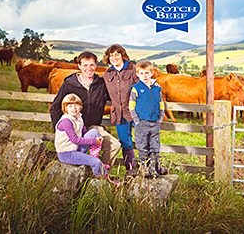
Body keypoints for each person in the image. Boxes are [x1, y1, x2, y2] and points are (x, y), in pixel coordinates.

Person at [50, 51, 121, 167]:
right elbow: (55, 108)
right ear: (79, 66)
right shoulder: (69, 84)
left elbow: (116, 97)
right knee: (73, 153)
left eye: (92, 65)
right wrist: (59, 129)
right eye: (85, 65)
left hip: (93, 127)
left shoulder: (101, 84)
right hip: (73, 127)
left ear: (96, 65)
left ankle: (99, 172)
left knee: (115, 145)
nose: (89, 68)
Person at [54, 93, 114, 181]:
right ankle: (103, 179)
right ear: (65, 108)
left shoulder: (78, 118)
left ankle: (94, 157)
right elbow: (75, 140)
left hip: (76, 148)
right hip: (67, 153)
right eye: (70, 106)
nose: (74, 108)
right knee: (95, 163)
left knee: (93, 132)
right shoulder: (66, 121)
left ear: (80, 106)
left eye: (76, 105)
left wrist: (96, 138)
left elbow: (85, 133)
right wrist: (93, 141)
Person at [102, 44, 139, 175]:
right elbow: (103, 93)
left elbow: (142, 88)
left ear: (123, 55)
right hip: (119, 113)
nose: (114, 57)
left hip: (136, 112)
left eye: (117, 54)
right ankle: (131, 169)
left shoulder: (133, 69)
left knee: (145, 139)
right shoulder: (107, 74)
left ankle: (152, 167)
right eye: (111, 55)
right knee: (125, 141)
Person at [129, 60, 168, 178]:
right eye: (141, 73)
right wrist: (136, 120)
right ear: (137, 74)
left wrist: (160, 118)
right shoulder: (136, 88)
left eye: (147, 73)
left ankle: (153, 169)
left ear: (151, 73)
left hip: (155, 123)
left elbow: (161, 104)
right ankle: (144, 169)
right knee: (142, 147)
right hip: (141, 123)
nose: (144, 76)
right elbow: (131, 106)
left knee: (154, 147)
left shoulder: (157, 88)